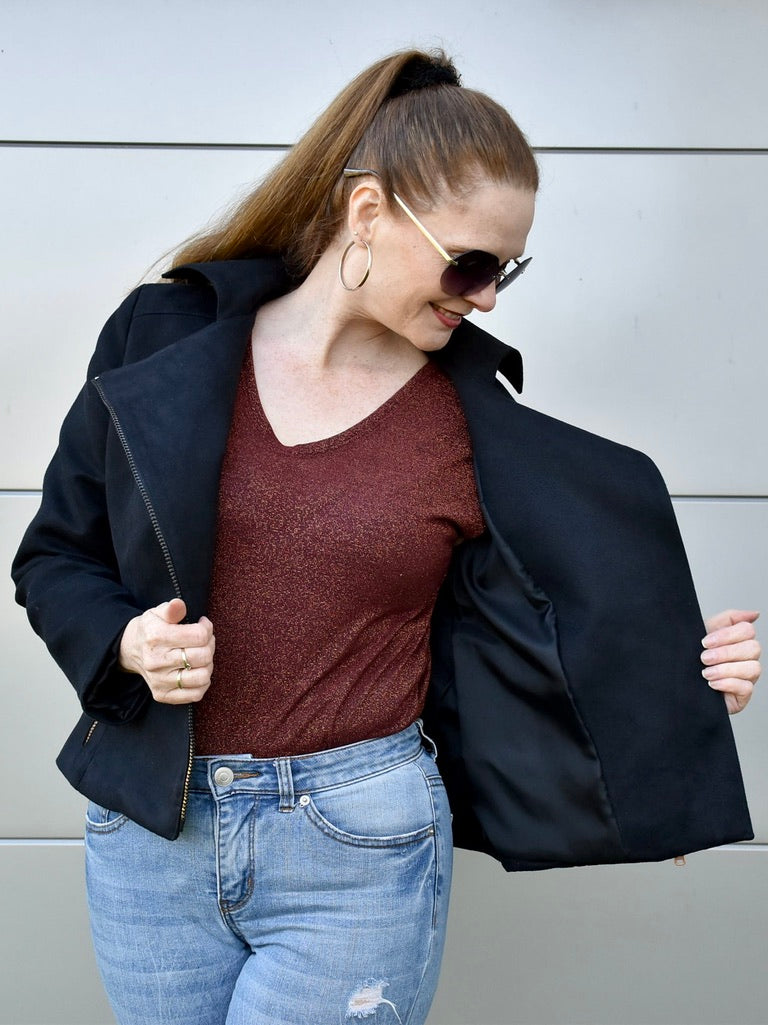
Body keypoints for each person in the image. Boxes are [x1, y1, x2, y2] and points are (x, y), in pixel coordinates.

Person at [11, 49, 760, 1025]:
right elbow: (54, 555)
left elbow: (570, 625)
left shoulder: (473, 427)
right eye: (471, 263)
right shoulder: (161, 340)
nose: (487, 297)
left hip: (356, 850)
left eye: (507, 270)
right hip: (150, 834)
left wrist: (684, 690)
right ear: (368, 212)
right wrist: (125, 641)